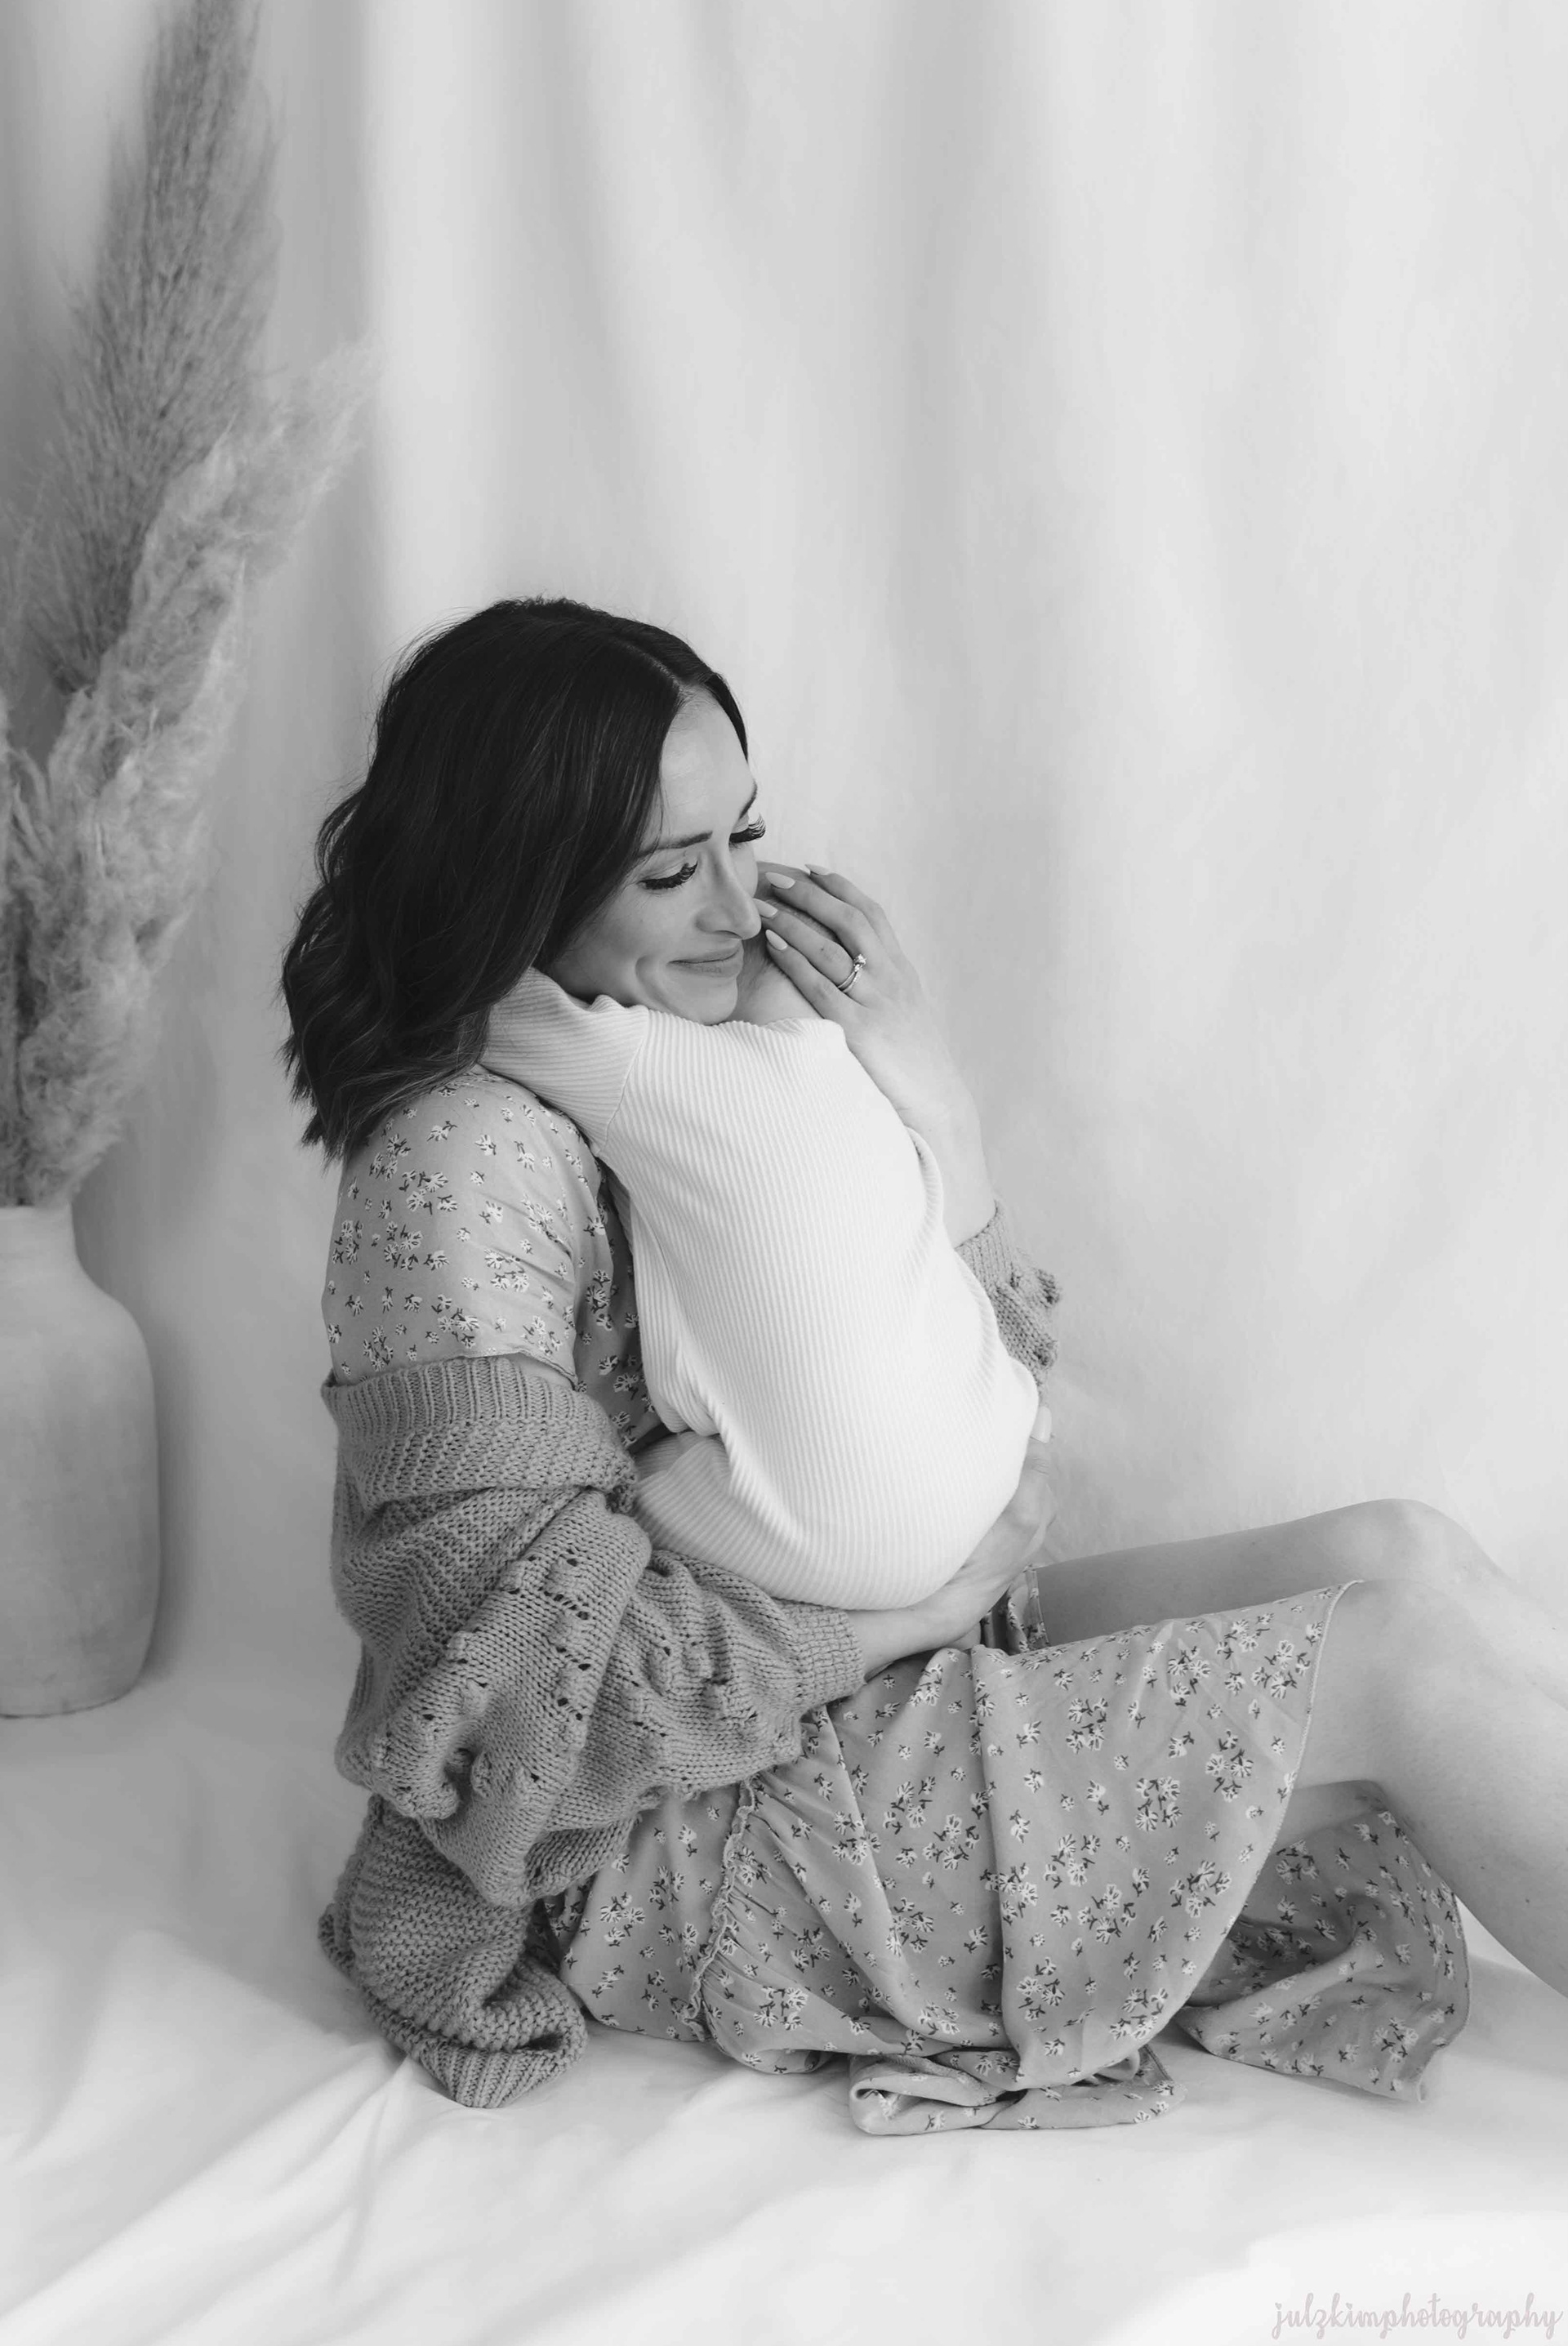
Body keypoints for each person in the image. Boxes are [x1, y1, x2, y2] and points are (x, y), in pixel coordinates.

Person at [281, 596, 1568, 2131]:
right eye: (671, 872)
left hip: (893, 1665)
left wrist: (925, 1088)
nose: (739, 908)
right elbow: (509, 1705)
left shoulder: (720, 1063)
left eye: (748, 839)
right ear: (516, 882)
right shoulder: (463, 1161)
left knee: (1402, 1554)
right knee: (1404, 1670)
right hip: (694, 1824)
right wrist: (901, 1619)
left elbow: (974, 1374)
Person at [475, 946, 1042, 1608]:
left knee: (580, 1536)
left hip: (856, 1541)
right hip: (996, 1454)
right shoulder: (864, 1091)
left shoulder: (653, 1059)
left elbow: (480, 1005)